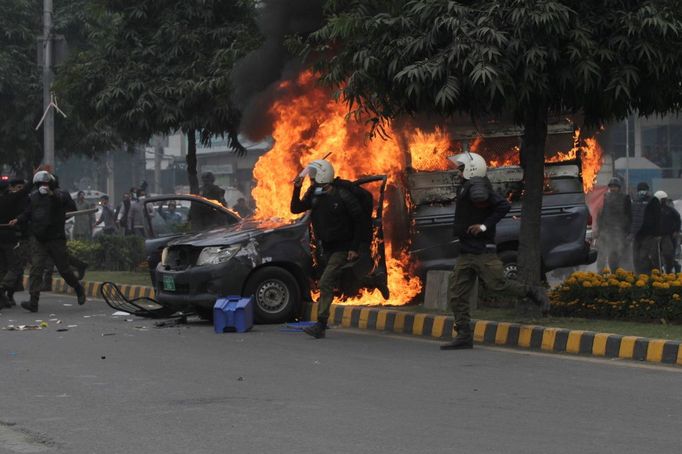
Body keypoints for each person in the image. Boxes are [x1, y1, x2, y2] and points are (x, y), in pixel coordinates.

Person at [441, 152, 549, 350]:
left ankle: (533, 291)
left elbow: (502, 205)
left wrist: (483, 226)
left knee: (497, 285)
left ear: (471, 170)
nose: (457, 172)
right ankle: (464, 335)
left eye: (461, 168)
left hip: (482, 251)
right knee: (456, 294)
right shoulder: (467, 186)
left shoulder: (478, 186)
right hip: (466, 252)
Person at [290, 159, 367, 339]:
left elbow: (360, 221)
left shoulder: (343, 196)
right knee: (329, 282)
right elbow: (295, 209)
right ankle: (371, 283)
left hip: (343, 247)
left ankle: (321, 324)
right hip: (326, 248)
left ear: (324, 174)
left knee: (325, 282)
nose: (312, 178)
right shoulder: (314, 195)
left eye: (315, 175)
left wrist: (354, 247)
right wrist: (296, 188)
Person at [9, 171, 86, 312]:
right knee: (36, 269)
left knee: (64, 269)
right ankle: (33, 301)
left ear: (51, 184)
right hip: (38, 238)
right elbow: (28, 212)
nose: (43, 186)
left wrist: (53, 195)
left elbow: (70, 208)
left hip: (56, 238)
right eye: (41, 184)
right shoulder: (33, 197)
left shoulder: (60, 195)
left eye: (46, 184)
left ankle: (78, 288)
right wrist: (18, 219)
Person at [0, 178, 30, 308]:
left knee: (2, 268)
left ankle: (5, 298)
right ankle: (3, 289)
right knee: (15, 266)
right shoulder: (10, 200)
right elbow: (25, 191)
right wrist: (34, 177)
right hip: (9, 237)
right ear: (8, 188)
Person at [595, 177, 631, 271]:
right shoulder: (605, 197)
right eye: (611, 186)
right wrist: (599, 230)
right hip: (606, 230)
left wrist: (628, 232)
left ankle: (615, 274)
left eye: (615, 186)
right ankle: (600, 274)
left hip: (619, 232)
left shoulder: (625, 198)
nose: (613, 188)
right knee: (601, 253)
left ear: (619, 187)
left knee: (615, 254)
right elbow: (601, 214)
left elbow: (629, 215)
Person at [630, 182, 661, 274]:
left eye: (644, 189)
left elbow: (657, 218)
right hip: (637, 234)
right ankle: (638, 275)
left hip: (649, 234)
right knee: (635, 257)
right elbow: (632, 217)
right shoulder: (635, 201)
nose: (642, 192)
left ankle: (648, 275)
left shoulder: (653, 200)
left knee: (644, 256)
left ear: (648, 190)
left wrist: (658, 234)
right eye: (640, 190)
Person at [655, 191, 681, 273]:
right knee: (656, 255)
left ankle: (671, 270)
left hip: (667, 236)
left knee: (668, 254)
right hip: (656, 237)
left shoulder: (670, 210)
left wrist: (676, 230)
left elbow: (678, 219)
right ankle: (659, 271)